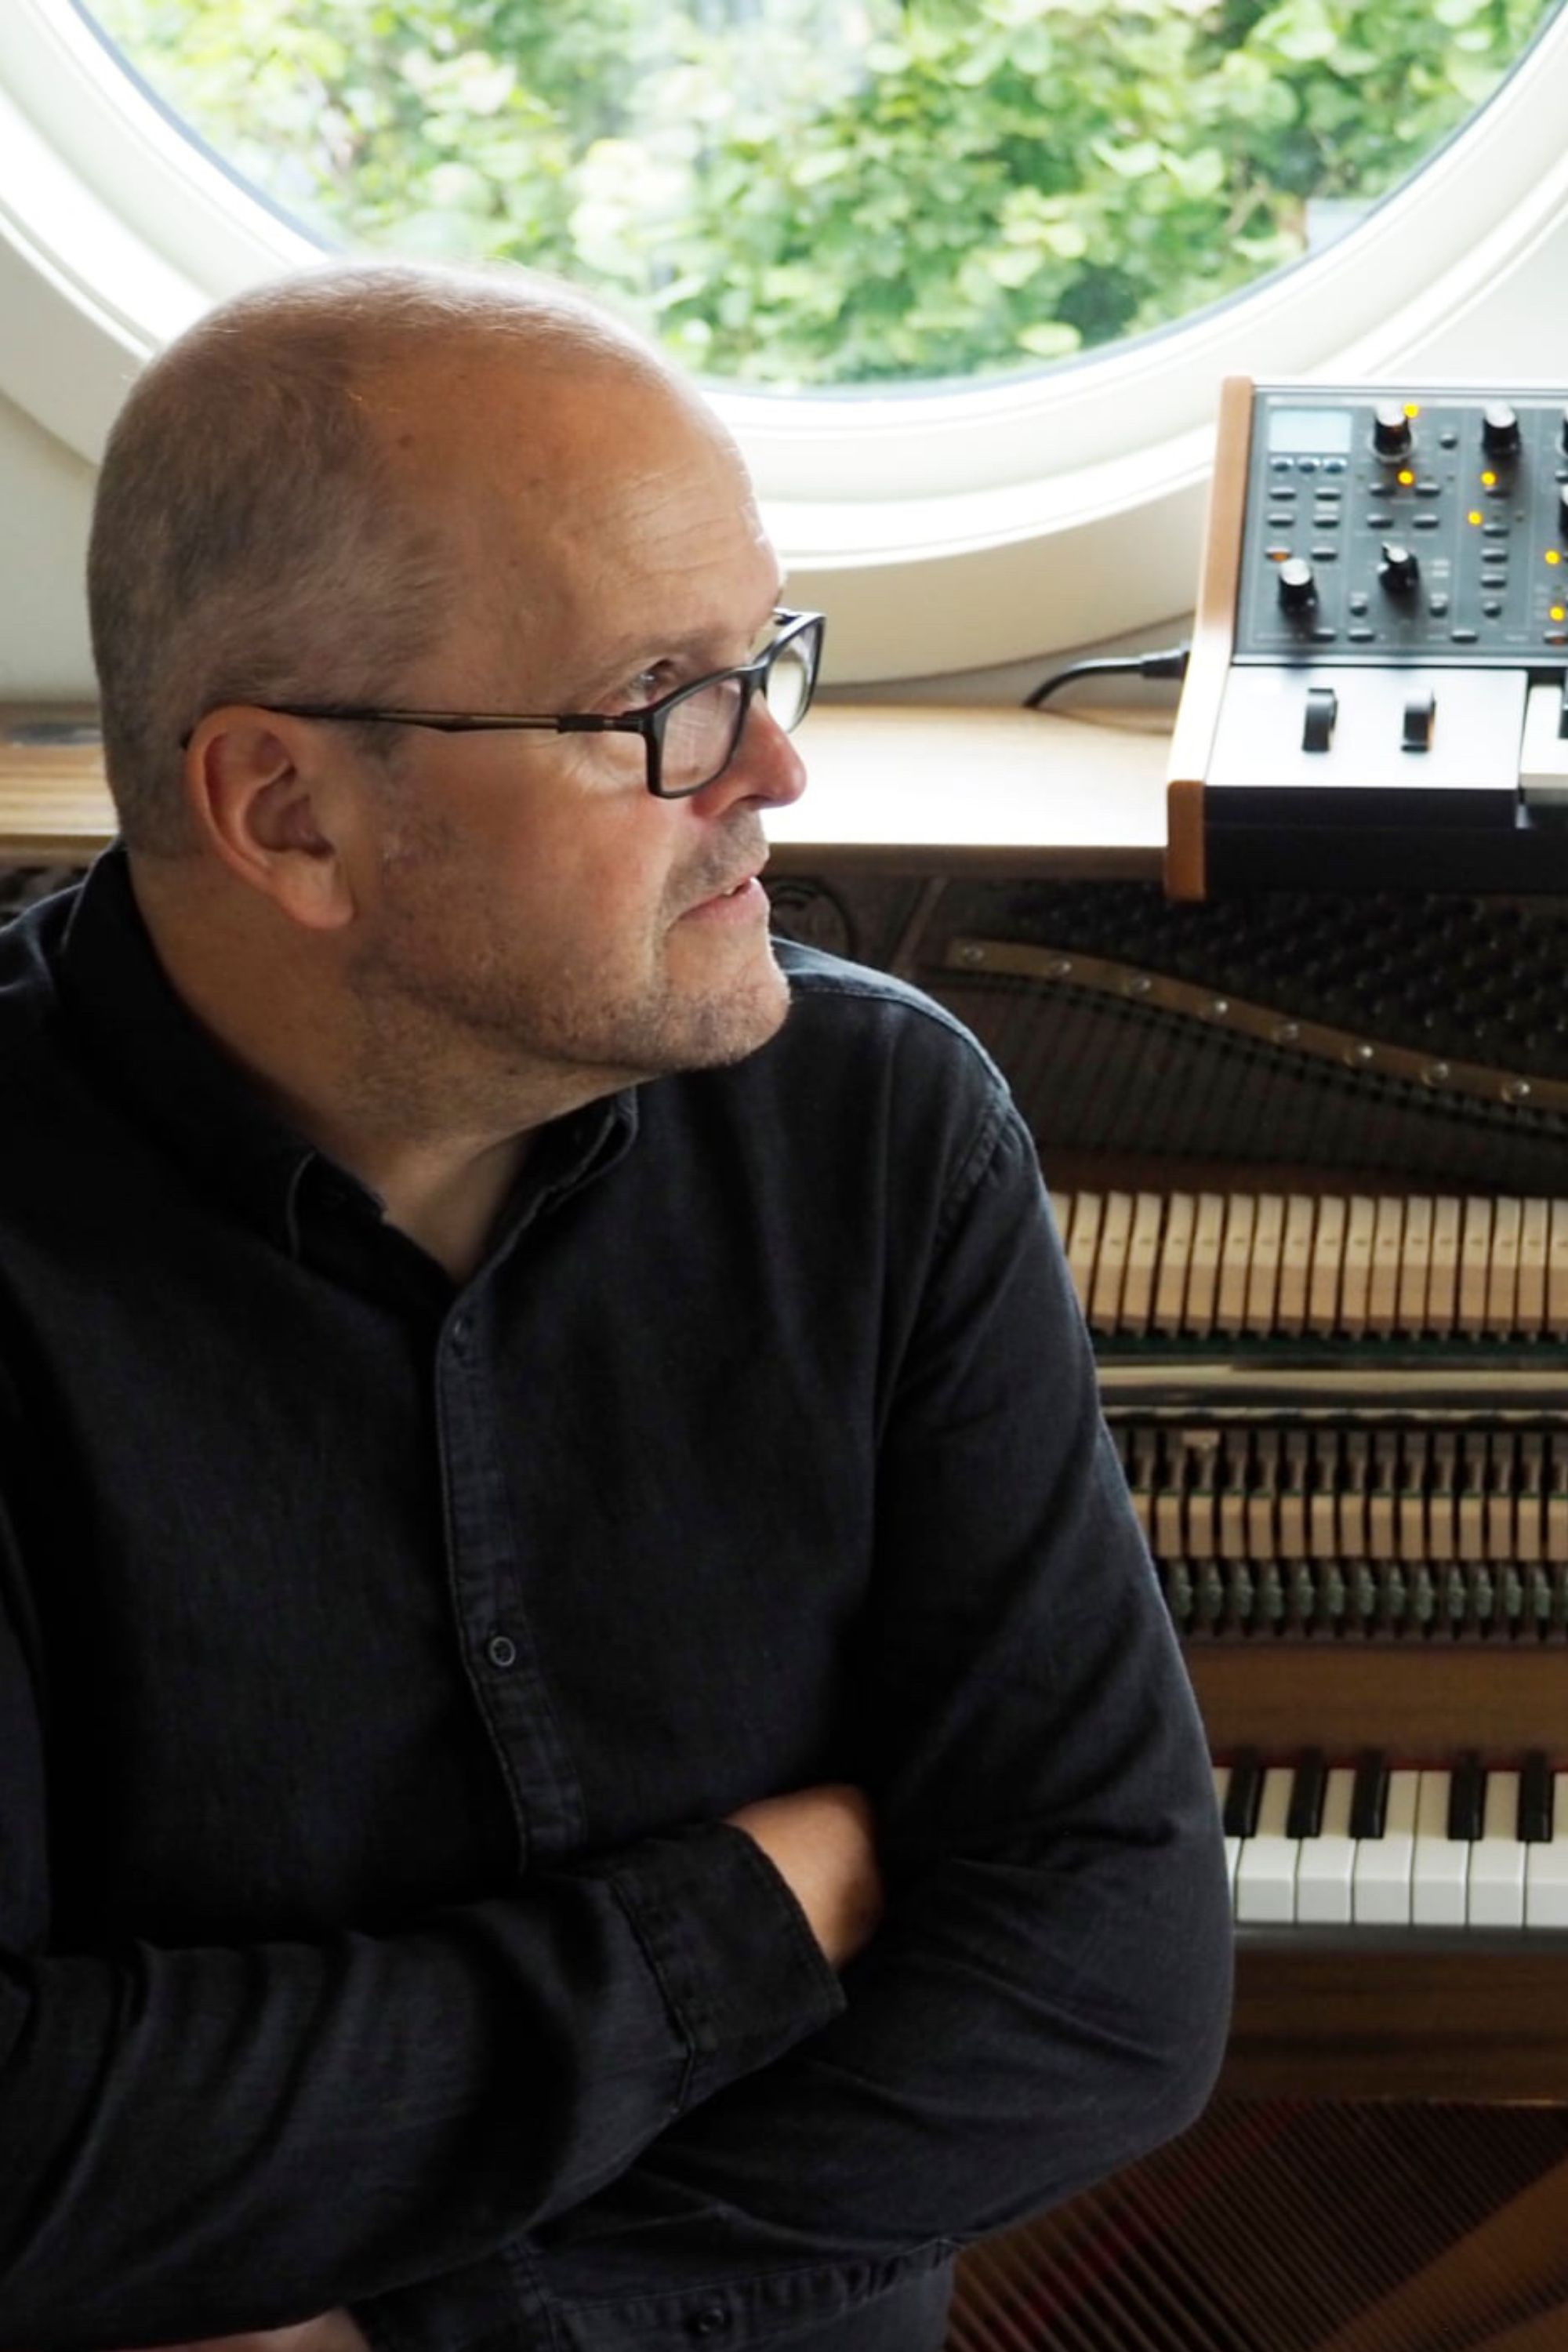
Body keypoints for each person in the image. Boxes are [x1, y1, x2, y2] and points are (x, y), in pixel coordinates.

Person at [0, 260, 1231, 2352]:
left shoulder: (876, 1129)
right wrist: (747, 1920)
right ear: (287, 811)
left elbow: (1108, 1977)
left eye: (767, 657)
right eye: (658, 700)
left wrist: (414, 2327)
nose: (776, 770)